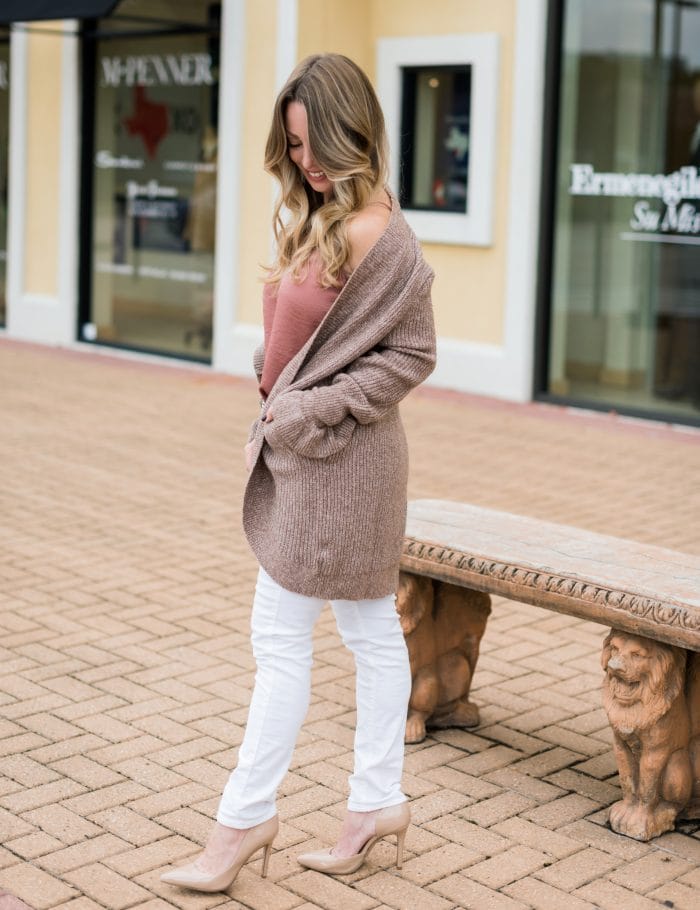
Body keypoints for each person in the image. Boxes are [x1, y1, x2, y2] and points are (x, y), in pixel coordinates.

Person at [161, 53, 436, 894]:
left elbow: (413, 357)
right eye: (293, 145)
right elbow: (300, 338)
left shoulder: (377, 234)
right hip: (322, 460)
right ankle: (375, 803)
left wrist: (309, 406)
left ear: (355, 133)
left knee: (283, 641)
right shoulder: (326, 216)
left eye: (317, 144)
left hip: (340, 467)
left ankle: (243, 822)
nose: (306, 162)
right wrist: (275, 374)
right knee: (368, 632)